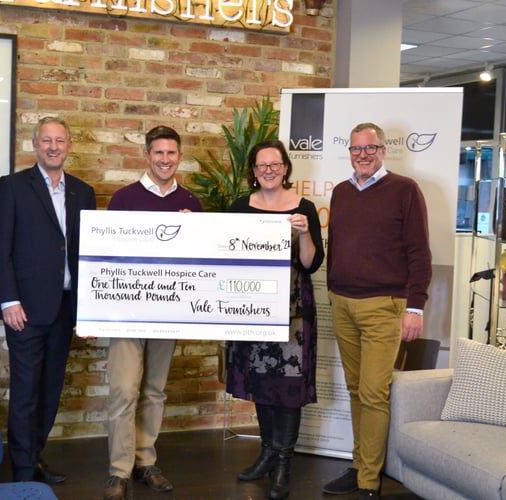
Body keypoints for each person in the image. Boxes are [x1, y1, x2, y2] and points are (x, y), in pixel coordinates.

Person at [322, 122, 431, 500]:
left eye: (370, 148)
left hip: (384, 307)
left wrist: (415, 307)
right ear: (350, 152)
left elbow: (419, 252)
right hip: (343, 303)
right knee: (355, 390)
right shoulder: (341, 192)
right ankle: (358, 465)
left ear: (383, 151)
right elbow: (337, 245)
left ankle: (369, 479)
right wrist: (332, 291)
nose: (363, 155)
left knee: (373, 393)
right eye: (356, 149)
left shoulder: (405, 190)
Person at [0, 116, 97, 485]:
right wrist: (8, 301)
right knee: (26, 392)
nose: (53, 147)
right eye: (46, 140)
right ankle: (22, 473)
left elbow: (88, 255)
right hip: (25, 310)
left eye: (60, 141)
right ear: (35, 144)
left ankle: (34, 458)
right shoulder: (13, 187)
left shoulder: (83, 192)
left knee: (50, 391)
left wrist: (88, 310)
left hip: (65, 308)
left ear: (69, 146)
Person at [103, 125, 202, 500]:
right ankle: (119, 470)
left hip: (168, 311)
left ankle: (145, 461)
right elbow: (108, 257)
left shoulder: (191, 202)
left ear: (180, 157)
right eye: (158, 153)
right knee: (123, 390)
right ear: (146, 155)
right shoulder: (123, 199)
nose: (165, 159)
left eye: (171, 153)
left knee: (155, 391)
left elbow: (200, 261)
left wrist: (191, 232)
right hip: (126, 311)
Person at [225, 139, 325, 500]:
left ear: (285, 168)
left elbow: (312, 263)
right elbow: (222, 253)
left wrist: (304, 233)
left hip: (293, 310)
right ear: (253, 171)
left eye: (275, 164)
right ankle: (267, 453)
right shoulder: (240, 208)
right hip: (251, 307)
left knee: (288, 386)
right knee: (261, 380)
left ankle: (284, 462)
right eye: (261, 165)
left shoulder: (304, 208)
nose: (268, 170)